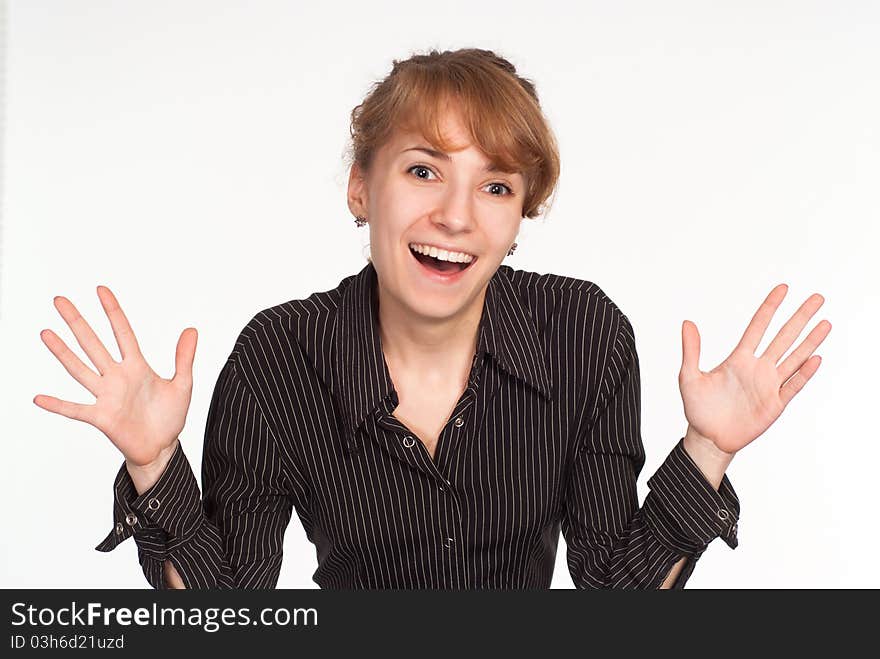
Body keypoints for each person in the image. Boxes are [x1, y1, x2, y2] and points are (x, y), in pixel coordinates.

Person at [34, 48, 831, 589]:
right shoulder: (278, 358)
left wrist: (707, 448)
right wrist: (155, 465)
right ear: (360, 189)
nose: (456, 215)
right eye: (424, 170)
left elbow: (613, 601)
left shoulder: (585, 335)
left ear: (519, 217)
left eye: (495, 186)